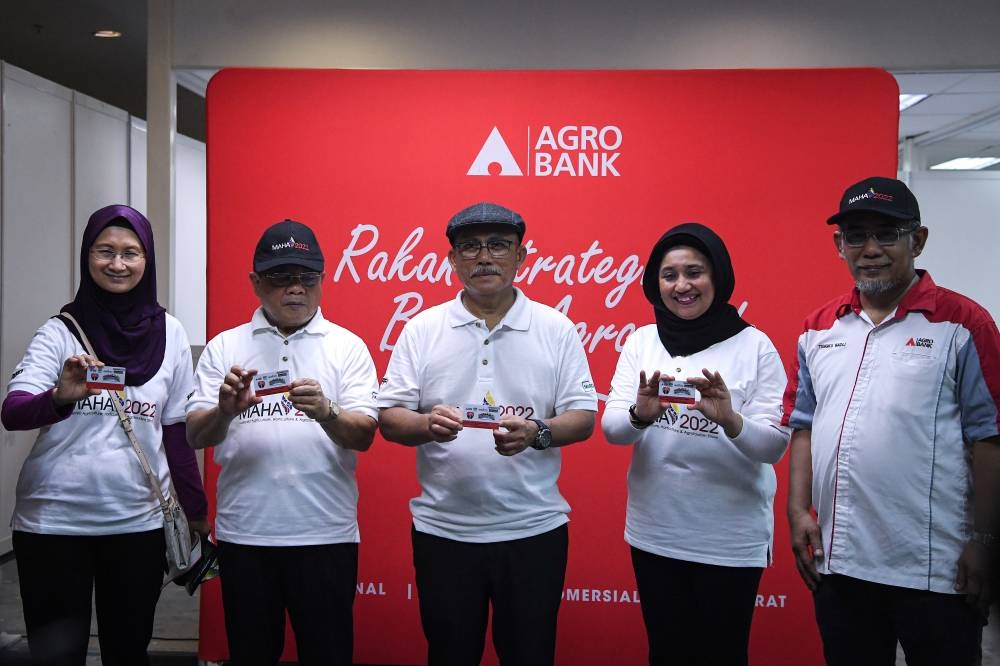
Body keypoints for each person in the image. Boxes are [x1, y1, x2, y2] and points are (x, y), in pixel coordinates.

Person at [784, 176, 1000, 665]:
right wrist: (798, 512)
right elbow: (804, 426)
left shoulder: (964, 324)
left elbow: (990, 440)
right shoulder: (819, 328)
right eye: (856, 235)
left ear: (917, 241)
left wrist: (985, 543)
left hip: (935, 568)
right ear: (840, 245)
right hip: (839, 565)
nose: (871, 249)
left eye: (888, 234)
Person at [377, 202, 597, 665]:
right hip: (444, 532)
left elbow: (581, 416)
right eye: (470, 247)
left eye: (499, 245)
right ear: (452, 260)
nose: (484, 257)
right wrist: (425, 425)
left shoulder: (555, 328)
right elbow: (391, 417)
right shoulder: (422, 329)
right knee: (450, 655)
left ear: (521, 257)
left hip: (533, 530)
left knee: (530, 655)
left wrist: (538, 431)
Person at [0, 204, 208, 666]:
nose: (117, 263)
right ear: (87, 256)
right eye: (105, 251)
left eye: (130, 253)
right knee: (57, 655)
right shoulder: (59, 333)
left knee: (128, 652)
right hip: (53, 524)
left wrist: (195, 510)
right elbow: (13, 413)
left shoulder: (171, 333)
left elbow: (174, 431)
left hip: (137, 524)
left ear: (146, 260)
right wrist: (60, 396)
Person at [186, 218, 378, 666]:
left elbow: (365, 435)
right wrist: (225, 410)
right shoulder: (224, 347)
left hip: (325, 535)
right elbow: (196, 433)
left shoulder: (347, 347)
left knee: (328, 654)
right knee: (252, 654)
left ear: (322, 280)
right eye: (280, 277)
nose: (296, 288)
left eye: (306, 277)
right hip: (245, 537)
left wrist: (327, 412)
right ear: (256, 283)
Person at [601, 222, 789, 665]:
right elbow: (612, 430)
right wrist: (640, 415)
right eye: (670, 275)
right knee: (666, 653)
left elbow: (774, 447)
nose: (682, 285)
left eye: (695, 272)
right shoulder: (642, 341)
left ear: (718, 277)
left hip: (729, 538)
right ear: (655, 283)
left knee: (723, 655)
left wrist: (730, 420)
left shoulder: (755, 346)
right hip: (656, 532)